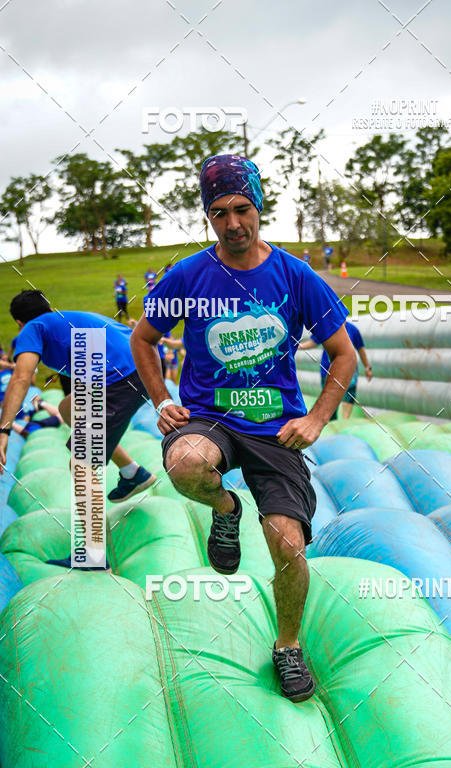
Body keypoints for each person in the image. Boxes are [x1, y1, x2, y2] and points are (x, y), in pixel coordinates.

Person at [131, 153, 356, 703]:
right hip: (209, 418)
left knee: (287, 543)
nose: (232, 223)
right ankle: (226, 511)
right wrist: (161, 398)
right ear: (208, 217)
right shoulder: (188, 275)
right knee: (185, 463)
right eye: (218, 213)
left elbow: (342, 353)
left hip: (276, 427)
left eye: (242, 209)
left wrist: (317, 417)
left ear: (259, 208)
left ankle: (287, 646)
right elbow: (143, 338)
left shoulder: (295, 275)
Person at [0, 291, 157, 567]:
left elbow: (22, 376)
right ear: (50, 306)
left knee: (80, 463)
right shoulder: (70, 319)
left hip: (120, 381)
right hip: (140, 370)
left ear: (19, 322)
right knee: (67, 409)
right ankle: (133, 472)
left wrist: (4, 430)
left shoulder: (33, 328)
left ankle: (94, 554)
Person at [299, 321, 372, 420]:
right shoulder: (327, 327)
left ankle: (345, 422)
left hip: (348, 370)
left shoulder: (352, 330)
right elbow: (313, 342)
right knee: (329, 402)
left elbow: (360, 349)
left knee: (349, 396)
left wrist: (367, 367)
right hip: (328, 370)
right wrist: (297, 346)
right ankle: (333, 423)